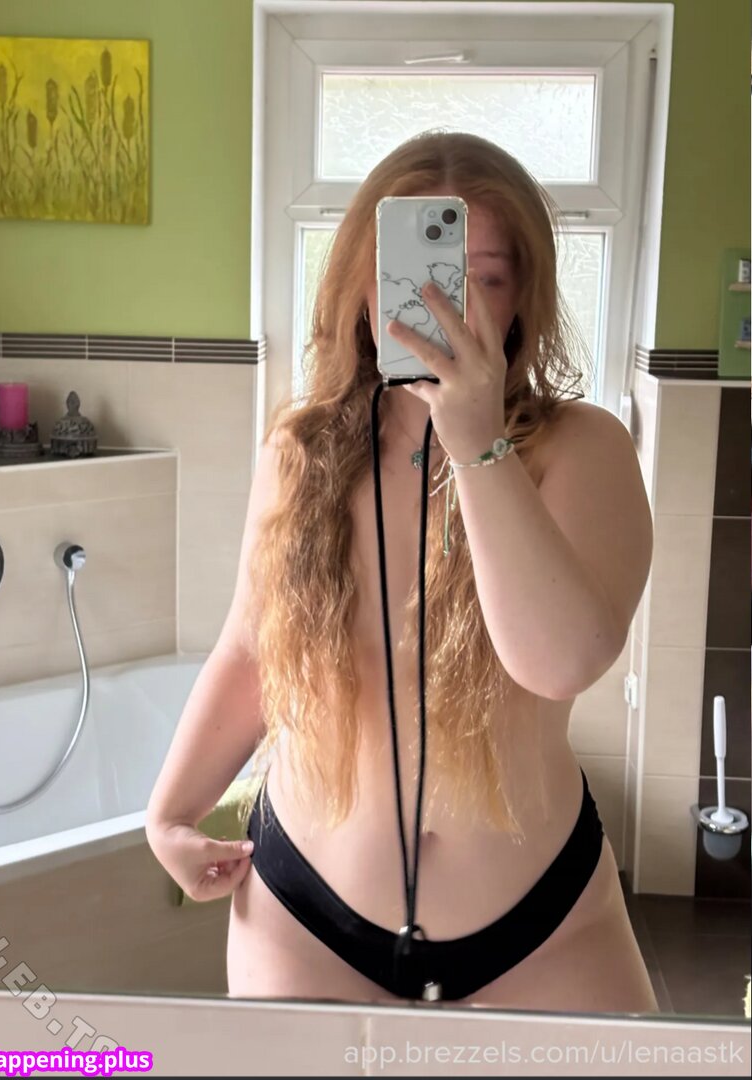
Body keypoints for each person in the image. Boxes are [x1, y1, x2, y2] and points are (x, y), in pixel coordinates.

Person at [146, 131, 658, 1013]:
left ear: (523, 296)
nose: (442, 302)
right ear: (361, 283)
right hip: (305, 917)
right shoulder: (300, 450)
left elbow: (561, 661)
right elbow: (251, 649)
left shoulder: (585, 449)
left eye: (482, 277)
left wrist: (477, 443)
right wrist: (169, 814)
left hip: (544, 926)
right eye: (416, 272)